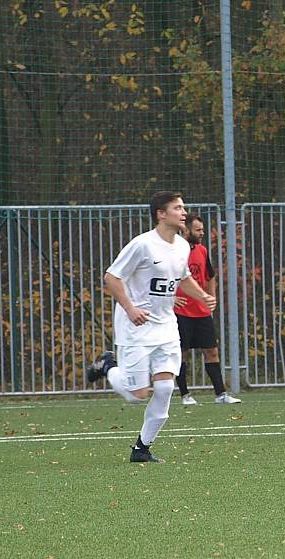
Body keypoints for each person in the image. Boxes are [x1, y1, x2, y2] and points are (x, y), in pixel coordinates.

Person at [86, 191, 216, 463]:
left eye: (183, 207)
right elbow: (111, 277)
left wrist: (201, 295)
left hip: (166, 326)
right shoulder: (142, 245)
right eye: (177, 208)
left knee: (167, 388)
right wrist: (130, 308)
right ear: (161, 213)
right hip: (136, 326)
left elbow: (182, 278)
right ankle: (107, 364)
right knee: (137, 395)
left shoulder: (182, 246)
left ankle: (141, 448)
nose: (183, 212)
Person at [174, 214, 241, 406]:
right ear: (185, 230)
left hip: (201, 311)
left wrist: (211, 298)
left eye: (202, 229)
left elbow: (210, 276)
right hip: (181, 312)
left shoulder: (202, 250)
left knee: (212, 351)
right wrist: (171, 298)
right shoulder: (175, 251)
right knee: (181, 352)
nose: (202, 233)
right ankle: (185, 395)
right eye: (198, 230)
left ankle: (221, 394)